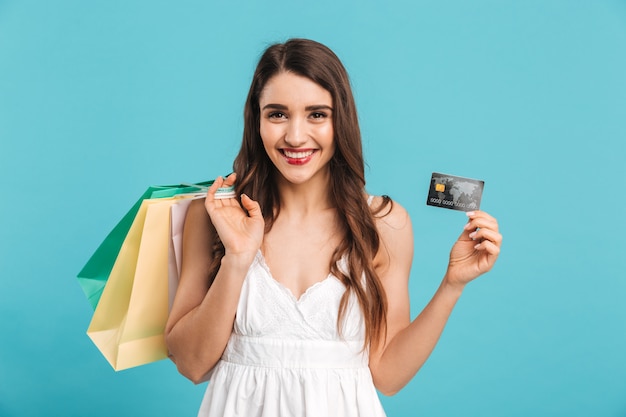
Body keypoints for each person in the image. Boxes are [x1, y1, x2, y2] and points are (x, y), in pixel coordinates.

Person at [165, 38, 502, 417]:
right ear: (255, 120)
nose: (295, 136)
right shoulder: (216, 215)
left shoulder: (384, 223)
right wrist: (237, 260)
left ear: (340, 119)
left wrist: (451, 285)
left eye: (316, 114)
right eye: (277, 114)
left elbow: (388, 376)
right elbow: (190, 364)